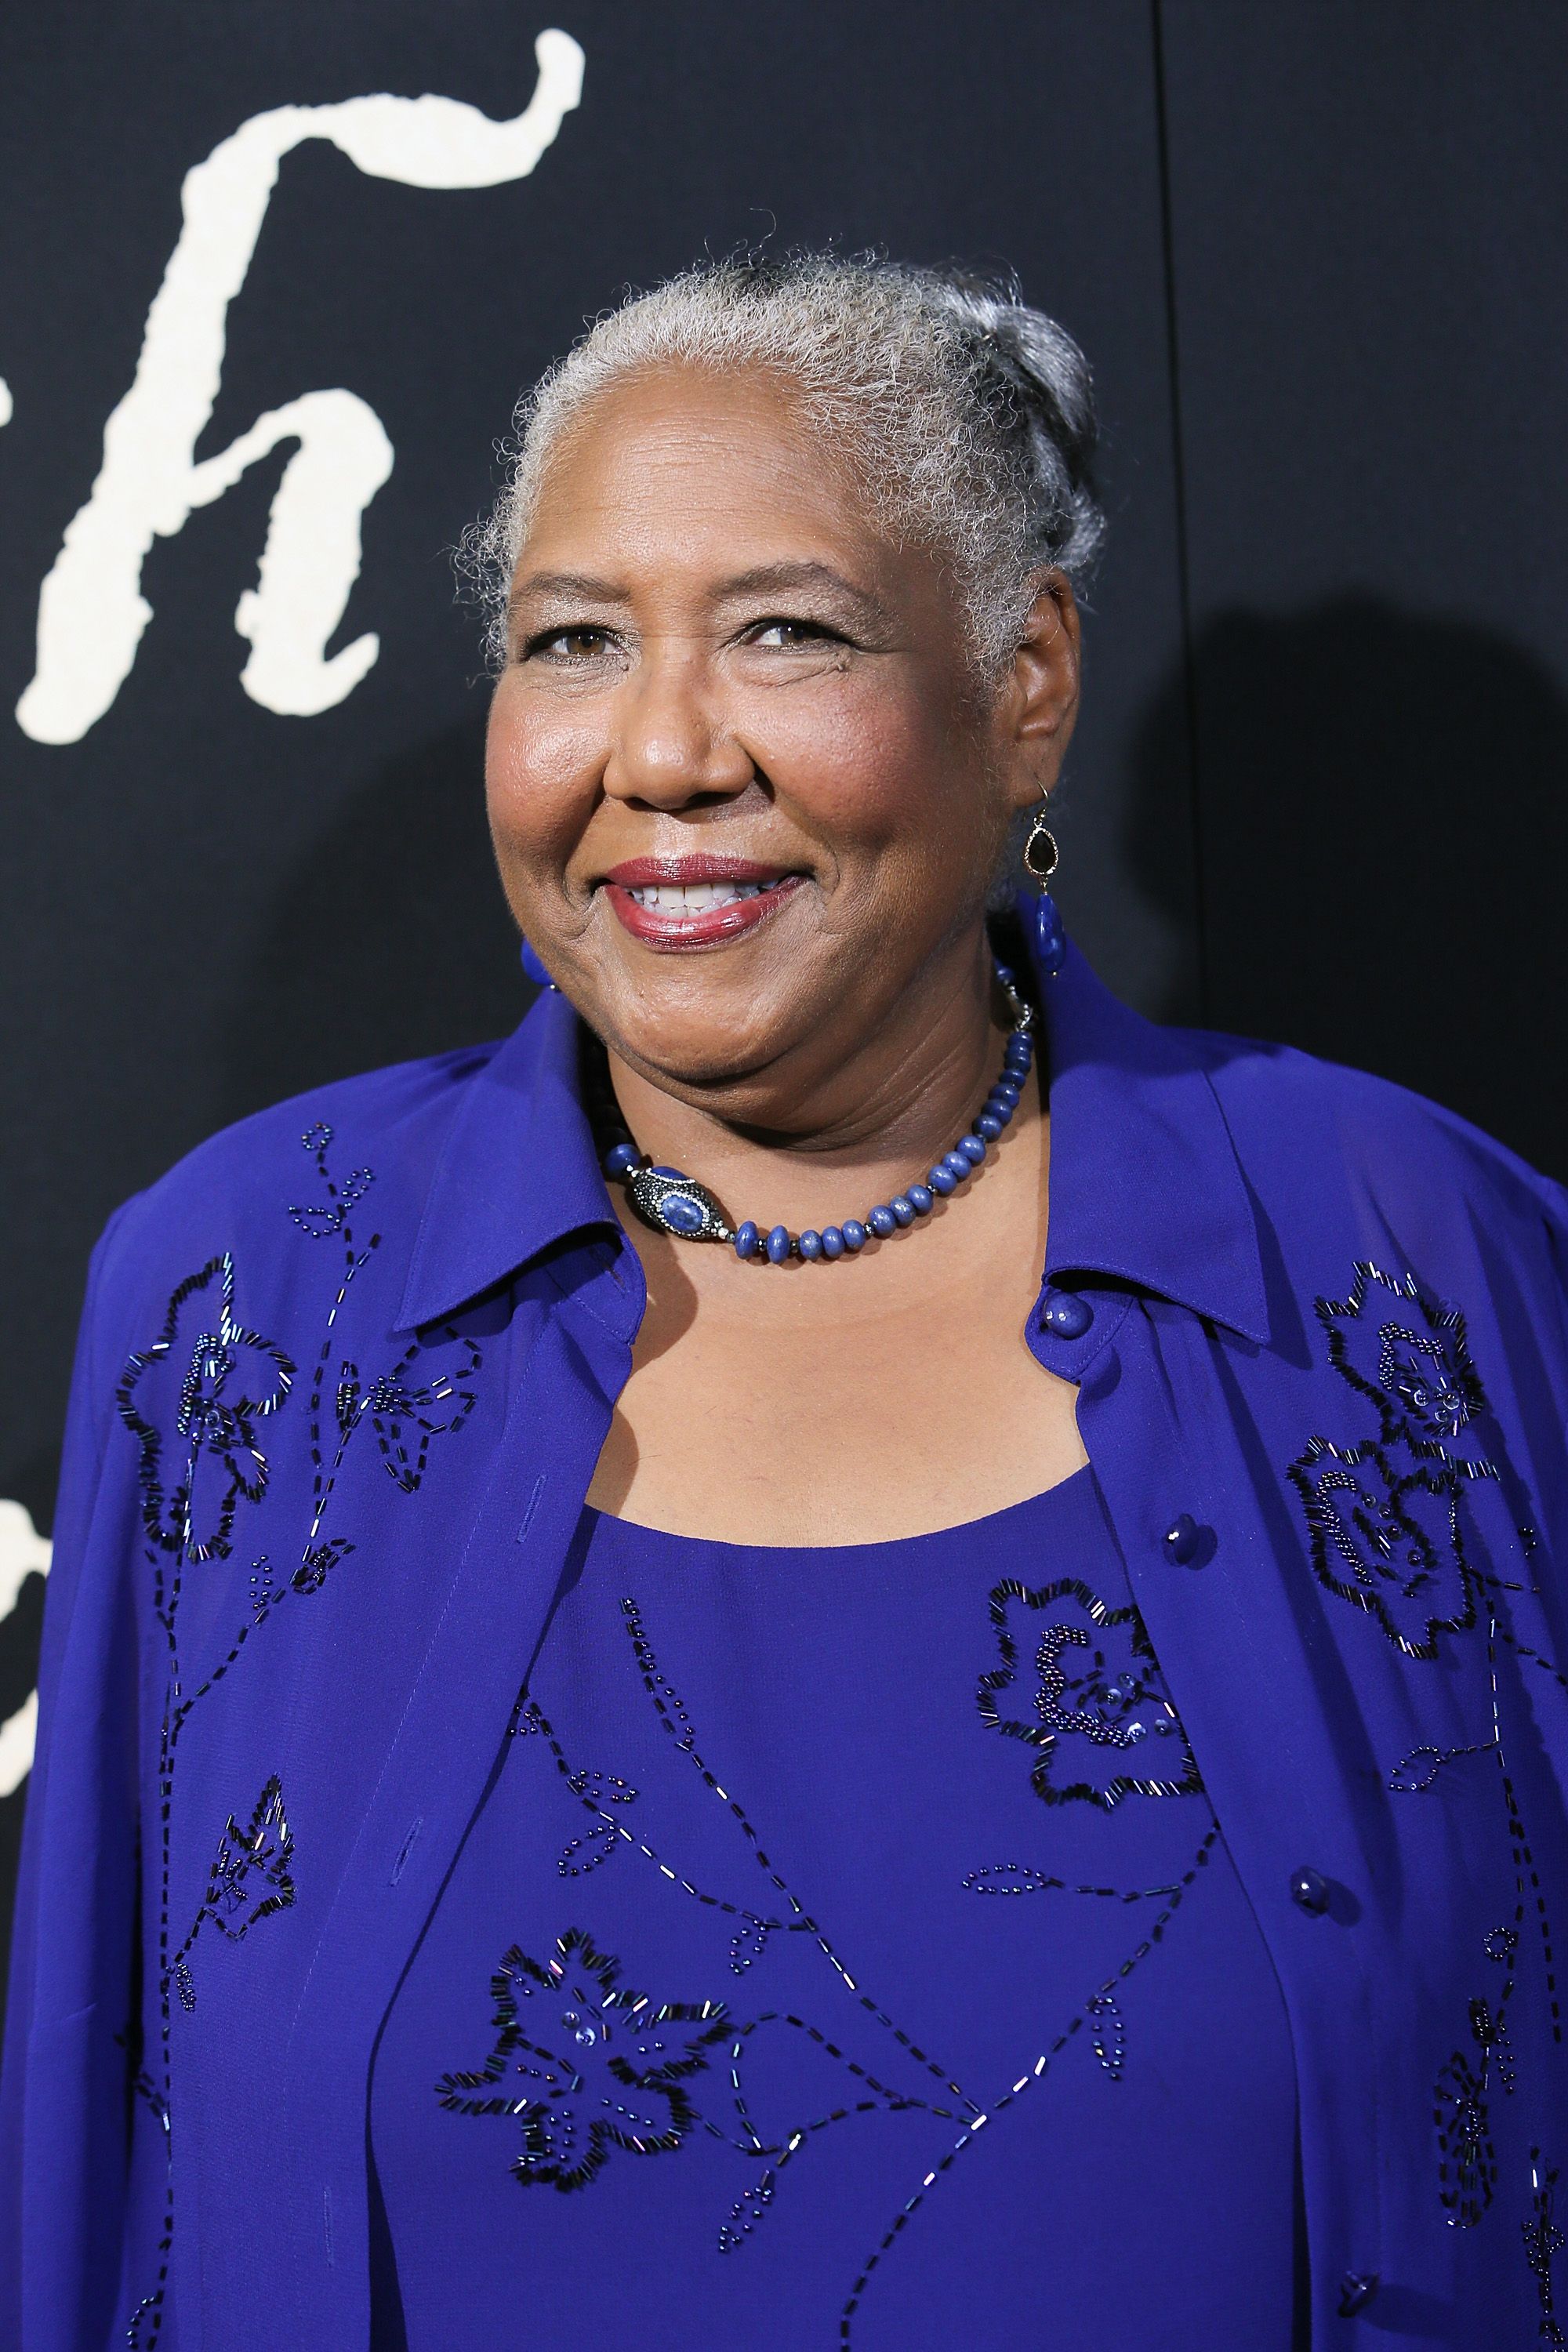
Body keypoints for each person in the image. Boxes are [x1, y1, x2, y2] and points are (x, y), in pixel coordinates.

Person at [4, 252, 1566, 2352]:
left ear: (1025, 675)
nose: (659, 748)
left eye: (785, 633)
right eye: (572, 641)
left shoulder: (1410, 1258)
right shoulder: (246, 1303)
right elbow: (106, 2163)